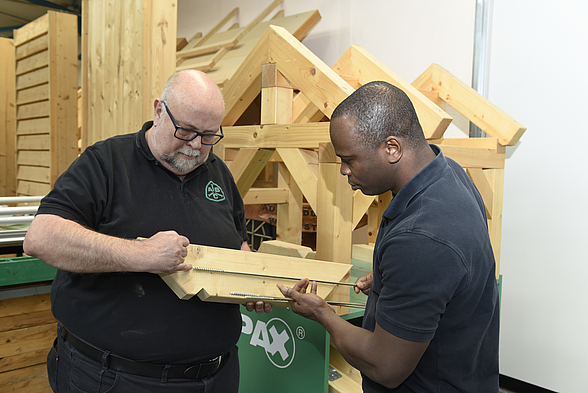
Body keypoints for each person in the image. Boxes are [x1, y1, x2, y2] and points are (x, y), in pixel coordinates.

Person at [23, 69, 270, 393]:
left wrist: (250, 281)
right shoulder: (106, 162)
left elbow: (236, 242)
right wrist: (141, 254)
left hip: (216, 376)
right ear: (158, 110)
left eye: (209, 135)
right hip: (113, 378)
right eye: (186, 131)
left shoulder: (218, 174)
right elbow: (41, 238)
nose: (196, 146)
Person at [278, 81, 500, 392]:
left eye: (349, 159)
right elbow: (445, 276)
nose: (343, 170)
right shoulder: (448, 173)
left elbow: (385, 366)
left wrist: (321, 312)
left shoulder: (420, 239)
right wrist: (394, 283)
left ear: (392, 148)